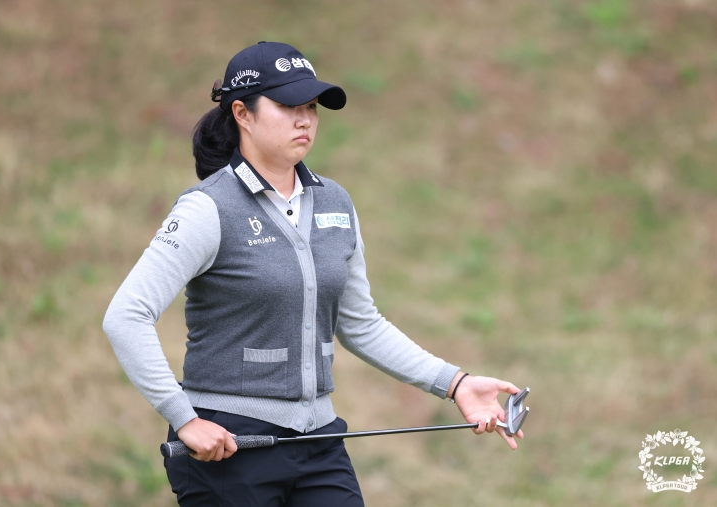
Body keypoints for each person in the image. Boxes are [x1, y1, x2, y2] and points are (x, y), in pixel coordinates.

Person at [103, 41, 524, 507]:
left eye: (311, 107)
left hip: (318, 440)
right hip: (227, 446)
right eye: (288, 106)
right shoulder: (208, 209)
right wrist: (184, 418)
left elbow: (361, 324)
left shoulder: (335, 203)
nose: (304, 119)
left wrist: (456, 383)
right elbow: (127, 315)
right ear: (242, 114)